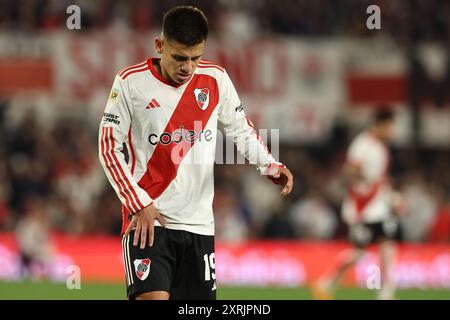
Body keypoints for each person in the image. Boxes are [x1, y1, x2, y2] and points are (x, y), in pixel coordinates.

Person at [98, 6, 293, 300]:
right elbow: (108, 147)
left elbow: (240, 129)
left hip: (199, 225)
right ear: (160, 46)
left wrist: (269, 164)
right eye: (179, 57)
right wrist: (138, 202)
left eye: (195, 57)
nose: (188, 67)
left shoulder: (215, 79)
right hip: (150, 220)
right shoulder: (130, 82)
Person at [312, 108, 404, 300]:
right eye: (390, 127)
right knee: (359, 253)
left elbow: (380, 180)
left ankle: (386, 293)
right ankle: (326, 282)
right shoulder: (363, 144)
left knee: (388, 246)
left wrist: (393, 198)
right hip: (362, 207)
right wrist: (365, 178)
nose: (392, 131)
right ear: (380, 125)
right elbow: (349, 171)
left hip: (378, 207)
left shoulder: (381, 148)